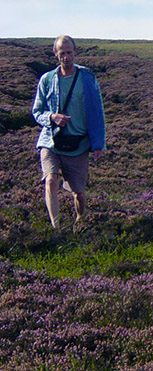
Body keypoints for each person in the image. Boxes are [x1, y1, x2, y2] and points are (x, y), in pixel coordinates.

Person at [32, 35, 106, 230]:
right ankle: (56, 228)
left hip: (78, 143)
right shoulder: (47, 79)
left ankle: (80, 220)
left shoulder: (87, 77)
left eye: (69, 52)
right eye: (62, 53)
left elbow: (97, 111)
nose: (66, 57)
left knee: (79, 193)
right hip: (51, 140)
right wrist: (51, 117)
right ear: (55, 53)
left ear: (75, 52)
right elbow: (37, 111)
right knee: (50, 181)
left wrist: (98, 144)